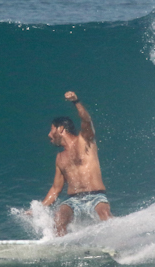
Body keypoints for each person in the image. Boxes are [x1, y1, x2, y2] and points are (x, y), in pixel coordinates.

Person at [40, 91, 112, 236]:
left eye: (51, 129)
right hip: (73, 200)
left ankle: (121, 243)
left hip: (96, 197)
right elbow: (55, 189)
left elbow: (87, 121)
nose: (49, 135)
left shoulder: (85, 141)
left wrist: (76, 101)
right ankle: (63, 247)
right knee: (59, 220)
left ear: (61, 129)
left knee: (104, 214)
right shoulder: (60, 157)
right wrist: (39, 209)